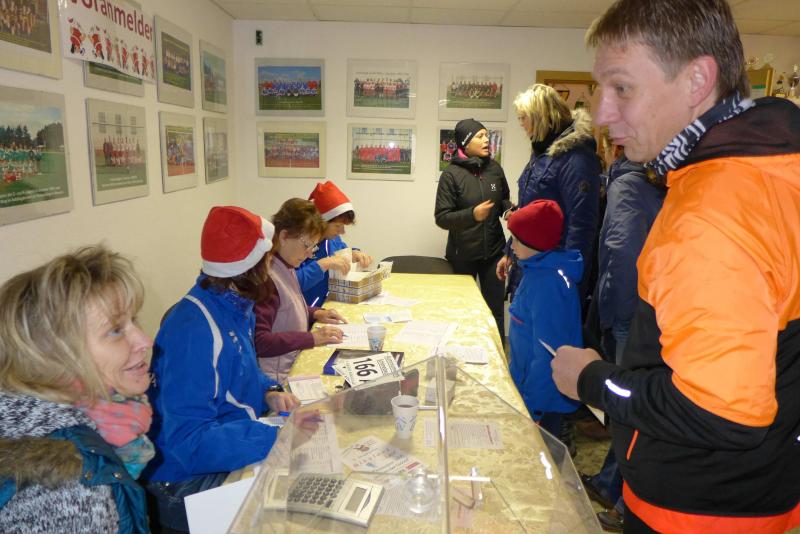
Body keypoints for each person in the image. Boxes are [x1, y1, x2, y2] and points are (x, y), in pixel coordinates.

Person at [551, 0, 800, 532]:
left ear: (697, 80)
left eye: (622, 87)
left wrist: (593, 380)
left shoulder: (712, 211)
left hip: (696, 508)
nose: (602, 114)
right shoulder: (770, 171)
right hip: (759, 490)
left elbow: (723, 413)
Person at [143, 206, 300, 532]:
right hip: (181, 481)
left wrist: (269, 390)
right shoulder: (194, 331)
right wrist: (275, 437)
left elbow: (242, 369)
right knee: (290, 515)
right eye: (268, 259)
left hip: (223, 443)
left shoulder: (235, 305)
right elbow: (188, 442)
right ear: (251, 268)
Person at [0, 245, 151, 533]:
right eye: (115, 330)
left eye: (134, 321)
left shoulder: (52, 421)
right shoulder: (71, 489)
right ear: (56, 357)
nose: (145, 341)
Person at [581, 150, 666, 532]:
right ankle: (608, 483)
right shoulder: (654, 182)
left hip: (629, 312)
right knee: (630, 408)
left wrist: (610, 315)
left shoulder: (628, 186)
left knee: (627, 407)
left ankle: (621, 501)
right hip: (649, 308)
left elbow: (621, 254)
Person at [497, 84, 601, 307]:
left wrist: (568, 284)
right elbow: (528, 212)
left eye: (524, 117)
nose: (521, 123)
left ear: (541, 117)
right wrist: (510, 252)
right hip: (531, 267)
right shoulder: (541, 152)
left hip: (553, 273)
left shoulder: (576, 159)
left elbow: (581, 226)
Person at [506, 200, 582, 438]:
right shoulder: (535, 270)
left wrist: (532, 408)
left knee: (542, 454)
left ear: (534, 243)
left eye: (517, 240)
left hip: (542, 401)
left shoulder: (548, 286)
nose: (512, 246)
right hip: (527, 387)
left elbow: (547, 355)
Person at [435, 118, 512, 339]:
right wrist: (472, 215)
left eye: (487, 135)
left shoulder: (495, 168)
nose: (486, 139)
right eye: (480, 136)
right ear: (465, 143)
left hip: (494, 255)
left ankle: (497, 354)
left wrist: (508, 209)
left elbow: (503, 199)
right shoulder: (450, 175)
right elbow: (442, 217)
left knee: (495, 312)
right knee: (462, 311)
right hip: (462, 256)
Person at [255, 198, 347, 382]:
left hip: (292, 361)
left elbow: (287, 307)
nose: (309, 254)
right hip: (277, 377)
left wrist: (316, 313)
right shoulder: (268, 278)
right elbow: (260, 341)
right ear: (283, 236)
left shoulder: (286, 265)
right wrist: (312, 338)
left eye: (313, 247)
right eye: (306, 245)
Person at [297, 181, 373, 308]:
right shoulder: (299, 244)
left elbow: (343, 251)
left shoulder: (333, 239)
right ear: (320, 222)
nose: (342, 232)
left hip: (329, 305)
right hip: (307, 312)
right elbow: (292, 283)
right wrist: (323, 264)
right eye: (337, 226)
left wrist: (354, 254)